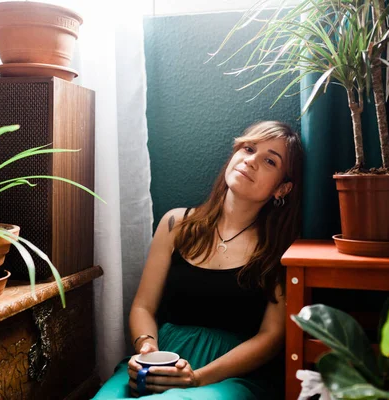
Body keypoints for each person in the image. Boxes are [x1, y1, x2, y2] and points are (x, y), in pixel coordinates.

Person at [93, 121, 303, 399]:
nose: (251, 161)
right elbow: (143, 306)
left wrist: (196, 379)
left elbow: (272, 337)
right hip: (163, 359)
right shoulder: (175, 224)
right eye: (248, 148)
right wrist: (147, 349)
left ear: (282, 189)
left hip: (231, 374)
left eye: (269, 161)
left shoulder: (280, 248)